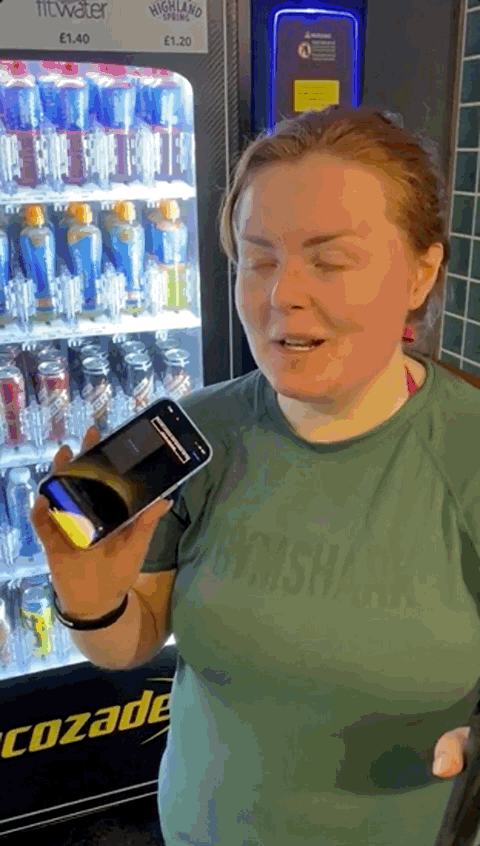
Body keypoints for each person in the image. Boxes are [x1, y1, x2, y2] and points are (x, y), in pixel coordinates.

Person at [32, 104, 480, 845]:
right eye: (259, 259)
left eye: (331, 261)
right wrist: (93, 601)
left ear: (420, 273)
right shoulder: (196, 434)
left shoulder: (465, 449)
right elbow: (132, 640)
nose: (282, 295)